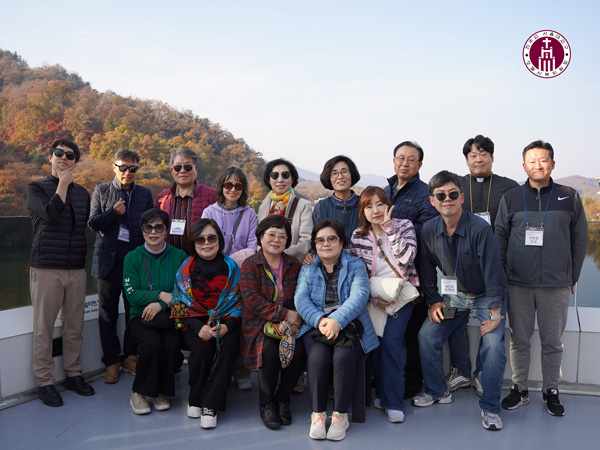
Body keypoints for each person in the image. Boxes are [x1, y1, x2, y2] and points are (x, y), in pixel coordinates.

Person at [496, 140, 588, 417]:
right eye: (532, 161)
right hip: (518, 284)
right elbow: (500, 238)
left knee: (552, 342)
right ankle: (520, 389)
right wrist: (503, 276)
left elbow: (580, 239)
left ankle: (551, 390)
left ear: (553, 164)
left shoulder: (569, 196)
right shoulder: (511, 198)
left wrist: (572, 276)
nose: (538, 165)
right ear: (524, 166)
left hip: (556, 284)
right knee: (519, 340)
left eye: (543, 160)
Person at [413, 170, 507, 431]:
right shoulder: (429, 230)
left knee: (494, 346)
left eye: (453, 194)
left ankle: (490, 407)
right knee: (427, 335)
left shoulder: (480, 229)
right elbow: (426, 269)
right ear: (432, 200)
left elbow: (494, 272)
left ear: (462, 198)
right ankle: (437, 390)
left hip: (485, 297)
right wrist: (433, 300)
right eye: (441, 195)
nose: (447, 200)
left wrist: (495, 313)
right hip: (453, 296)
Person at [446, 135, 519, 396]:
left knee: (492, 330)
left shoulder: (509, 187)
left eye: (483, 154)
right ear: (466, 160)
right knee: (454, 323)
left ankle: (480, 374)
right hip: (458, 271)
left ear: (492, 157)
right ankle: (461, 371)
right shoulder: (455, 186)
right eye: (473, 155)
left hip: (495, 270)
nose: (478, 159)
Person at [295, 219, 378, 441]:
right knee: (318, 358)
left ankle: (340, 416)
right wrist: (320, 320)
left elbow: (359, 296)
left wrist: (336, 320)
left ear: (341, 243)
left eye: (331, 238)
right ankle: (318, 415)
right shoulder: (308, 268)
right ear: (315, 245)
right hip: (317, 326)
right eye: (320, 240)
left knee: (343, 358)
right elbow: (301, 299)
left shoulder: (355, 265)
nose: (326, 243)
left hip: (349, 324)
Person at [27, 139, 94, 407]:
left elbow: (85, 227)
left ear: (76, 161)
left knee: (75, 326)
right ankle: (45, 382)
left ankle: (74, 375)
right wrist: (63, 184)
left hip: (76, 267)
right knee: (43, 327)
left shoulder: (83, 193)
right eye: (59, 153)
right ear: (50, 157)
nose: (64, 158)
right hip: (46, 266)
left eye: (70, 155)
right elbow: (52, 216)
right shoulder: (36, 188)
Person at [349, 186, 418, 423]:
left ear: (388, 205)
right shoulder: (358, 235)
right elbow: (357, 274)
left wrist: (390, 230)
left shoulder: (404, 226)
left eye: (380, 204)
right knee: (376, 346)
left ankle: (393, 402)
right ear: (363, 212)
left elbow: (408, 259)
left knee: (392, 344)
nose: (376, 210)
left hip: (402, 296)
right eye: (369, 206)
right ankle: (381, 393)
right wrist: (374, 299)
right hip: (374, 298)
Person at [89, 149, 154, 384]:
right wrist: (113, 213)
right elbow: (93, 223)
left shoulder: (145, 194)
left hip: (135, 264)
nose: (128, 172)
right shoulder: (102, 190)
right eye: (123, 167)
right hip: (108, 263)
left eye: (133, 168)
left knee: (133, 312)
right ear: (114, 167)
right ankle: (111, 362)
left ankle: (129, 356)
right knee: (107, 314)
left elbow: (151, 226)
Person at [171, 219, 242, 429]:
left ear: (219, 240)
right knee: (201, 349)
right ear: (193, 242)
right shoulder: (186, 268)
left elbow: (238, 302)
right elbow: (179, 304)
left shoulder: (231, 267)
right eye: (200, 239)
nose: (206, 243)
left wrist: (227, 326)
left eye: (212, 238)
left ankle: (211, 404)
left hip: (225, 320)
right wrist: (198, 327)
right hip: (193, 322)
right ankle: (195, 396)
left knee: (228, 347)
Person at [239, 215, 305, 430]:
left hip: (291, 324)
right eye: (272, 234)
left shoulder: (294, 264)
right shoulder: (250, 265)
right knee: (268, 351)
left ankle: (283, 399)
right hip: (259, 324)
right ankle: (266, 403)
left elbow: (303, 295)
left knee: (300, 351)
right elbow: (252, 301)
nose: (276, 239)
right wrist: (285, 314)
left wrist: (295, 318)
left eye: (282, 236)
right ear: (261, 237)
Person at [384, 141, 438, 398]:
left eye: (411, 159)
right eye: (400, 158)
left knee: (411, 333)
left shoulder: (426, 194)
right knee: (388, 332)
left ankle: (413, 379)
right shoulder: (386, 190)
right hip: (386, 275)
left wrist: (394, 227)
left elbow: (428, 233)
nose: (404, 163)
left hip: (414, 274)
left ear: (420, 164)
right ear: (394, 161)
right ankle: (386, 376)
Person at [123, 209, 188, 415]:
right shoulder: (132, 258)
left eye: (159, 227)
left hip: (170, 316)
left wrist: (161, 305)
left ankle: (158, 391)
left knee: (171, 344)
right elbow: (132, 294)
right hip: (140, 316)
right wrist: (160, 295)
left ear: (166, 230)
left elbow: (185, 292)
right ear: (142, 231)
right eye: (148, 227)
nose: (153, 232)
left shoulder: (179, 256)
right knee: (151, 343)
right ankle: (139, 392)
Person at [202, 167, 259, 390]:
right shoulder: (209, 211)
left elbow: (253, 245)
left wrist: (233, 261)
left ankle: (241, 370)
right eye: (228, 185)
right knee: (215, 319)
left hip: (240, 275)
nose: (232, 189)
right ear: (221, 186)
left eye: (238, 185)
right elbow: (202, 240)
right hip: (214, 275)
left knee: (240, 321)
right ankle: (214, 368)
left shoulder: (249, 214)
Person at [155, 149, 217, 251]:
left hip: (199, 257)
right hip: (168, 257)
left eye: (187, 167)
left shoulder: (211, 196)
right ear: (172, 170)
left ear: (196, 169)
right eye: (178, 167)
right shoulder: (163, 198)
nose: (182, 171)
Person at [258, 158, 313, 262]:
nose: (280, 180)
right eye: (275, 175)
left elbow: (306, 241)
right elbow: (259, 237)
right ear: (269, 180)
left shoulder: (303, 205)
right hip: (265, 263)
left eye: (285, 175)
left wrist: (280, 255)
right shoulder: (264, 206)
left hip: (292, 264)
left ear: (292, 179)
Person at [312, 155, 361, 243]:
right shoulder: (320, 208)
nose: (340, 177)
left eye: (344, 171)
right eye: (334, 173)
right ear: (329, 178)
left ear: (352, 174)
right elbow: (315, 241)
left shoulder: (365, 204)